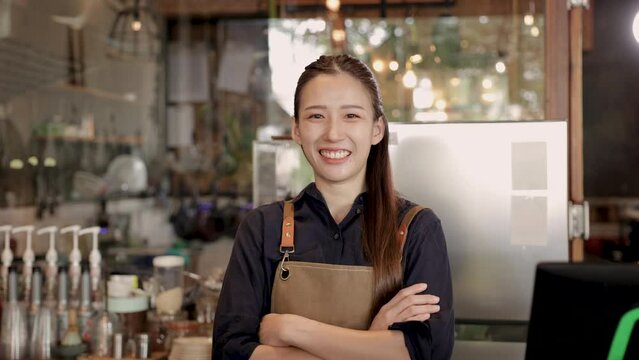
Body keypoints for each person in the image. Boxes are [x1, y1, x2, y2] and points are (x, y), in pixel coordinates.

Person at [213, 54, 454, 360]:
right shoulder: (262, 228)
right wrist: (374, 342)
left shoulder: (418, 228)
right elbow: (228, 351)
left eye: (351, 116)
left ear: (377, 129)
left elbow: (430, 352)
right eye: (316, 116)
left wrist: (290, 330)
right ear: (297, 129)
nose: (333, 133)